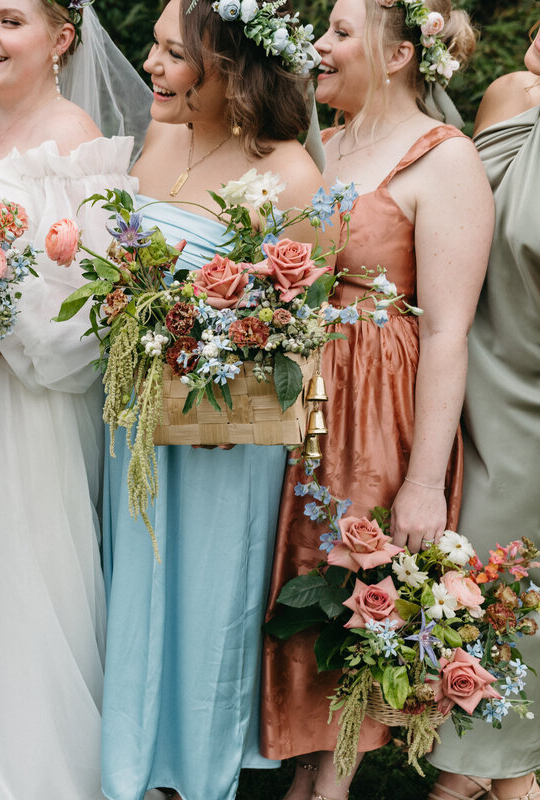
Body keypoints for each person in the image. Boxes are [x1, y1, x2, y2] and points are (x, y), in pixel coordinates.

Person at [0, 0, 145, 796]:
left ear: (61, 40)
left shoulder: (79, 142)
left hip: (28, 409)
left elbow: (90, 315)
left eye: (12, 20)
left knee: (26, 592)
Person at [259, 0, 491, 798]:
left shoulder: (444, 158)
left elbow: (449, 332)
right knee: (294, 594)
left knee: (350, 599)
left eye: (340, 33)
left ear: (397, 57)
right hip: (301, 408)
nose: (318, 46)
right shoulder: (323, 143)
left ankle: (325, 788)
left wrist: (425, 481)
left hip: (376, 412)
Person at [98, 1, 323, 798]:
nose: (150, 67)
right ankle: (126, 766)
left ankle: (193, 776)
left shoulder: (291, 174)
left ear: (228, 66)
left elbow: (300, 329)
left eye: (172, 55)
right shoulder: (161, 137)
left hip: (225, 432)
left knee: (205, 599)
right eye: (153, 49)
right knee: (133, 586)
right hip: (136, 418)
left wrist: (222, 342)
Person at [425, 20, 540, 800]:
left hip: (533, 393)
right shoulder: (509, 97)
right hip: (472, 368)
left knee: (517, 581)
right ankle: (483, 767)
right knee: (476, 576)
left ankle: (492, 770)